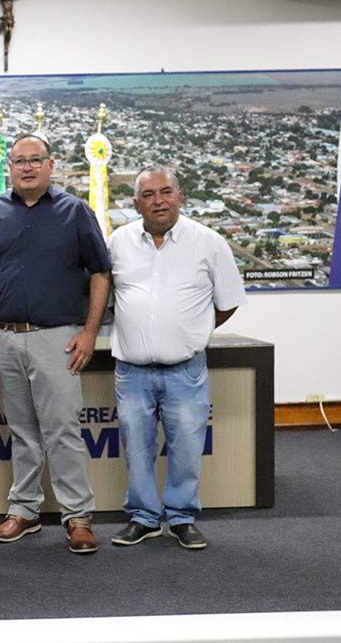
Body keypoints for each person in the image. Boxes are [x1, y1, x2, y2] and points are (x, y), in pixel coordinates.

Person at [0, 133, 111, 553]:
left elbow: (100, 273)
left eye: (35, 159)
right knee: (22, 430)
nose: (26, 167)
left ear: (51, 164)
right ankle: (23, 510)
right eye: (19, 161)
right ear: (9, 166)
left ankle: (77, 516)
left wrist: (90, 331)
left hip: (57, 338)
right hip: (4, 338)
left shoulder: (75, 211)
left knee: (62, 429)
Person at [108, 166, 246, 551]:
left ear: (180, 197)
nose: (158, 201)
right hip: (131, 371)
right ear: (136, 203)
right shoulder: (117, 242)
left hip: (185, 370)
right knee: (136, 447)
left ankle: (182, 518)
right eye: (148, 195)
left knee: (186, 447)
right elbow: (104, 297)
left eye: (166, 192)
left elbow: (228, 303)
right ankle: (143, 518)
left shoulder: (208, 242)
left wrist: (193, 329)